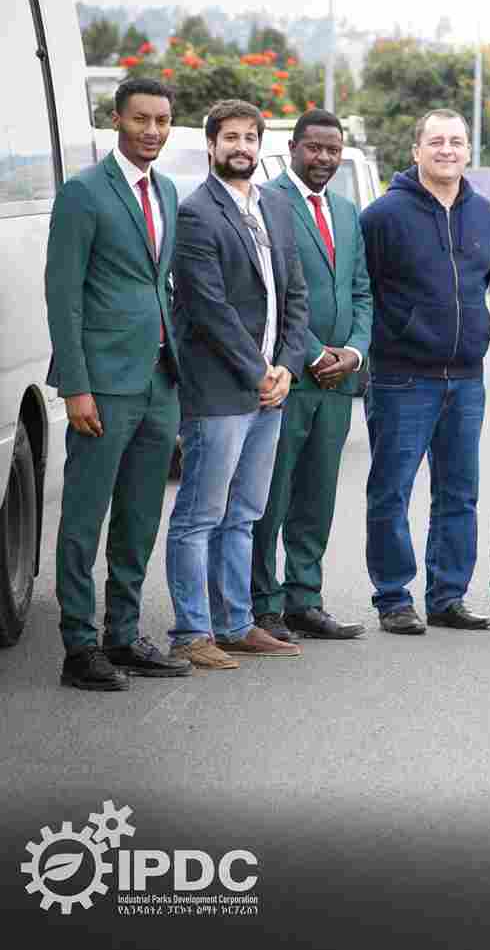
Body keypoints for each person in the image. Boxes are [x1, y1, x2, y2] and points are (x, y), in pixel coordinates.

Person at [45, 77, 192, 690]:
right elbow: (63, 295)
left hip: (159, 381)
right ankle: (79, 648)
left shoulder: (168, 190)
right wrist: (75, 386)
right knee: (84, 519)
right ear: (116, 121)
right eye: (140, 119)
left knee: (139, 517)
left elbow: (163, 283)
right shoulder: (83, 193)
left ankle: (124, 637)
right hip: (102, 385)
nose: (152, 131)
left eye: (161, 121)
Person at [164, 99, 311, 666]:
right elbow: (209, 309)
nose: (242, 147)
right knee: (199, 515)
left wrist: (287, 367)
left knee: (244, 514)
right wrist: (259, 372)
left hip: (272, 387)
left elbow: (295, 293)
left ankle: (235, 623)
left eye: (250, 137)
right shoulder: (196, 213)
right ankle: (191, 632)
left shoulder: (276, 205)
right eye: (230, 137)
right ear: (211, 145)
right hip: (221, 391)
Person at [360, 108, 490, 635]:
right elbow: (362, 291)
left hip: (465, 379)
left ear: (468, 151)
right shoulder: (383, 216)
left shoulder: (483, 214)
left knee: (459, 494)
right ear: (416, 150)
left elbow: (487, 285)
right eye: (436, 141)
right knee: (391, 491)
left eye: (456, 142)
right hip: (402, 378)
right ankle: (393, 597)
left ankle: (447, 596)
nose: (447, 150)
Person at [253, 108, 372, 642]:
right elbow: (269, 295)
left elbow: (362, 291)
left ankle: (305, 599)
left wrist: (355, 352)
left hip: (338, 383)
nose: (324, 157)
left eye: (333, 149)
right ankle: (263, 604)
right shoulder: (267, 203)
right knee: (270, 497)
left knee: (317, 497)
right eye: (315, 148)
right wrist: (313, 354)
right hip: (290, 378)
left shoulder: (346, 211)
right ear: (294, 148)